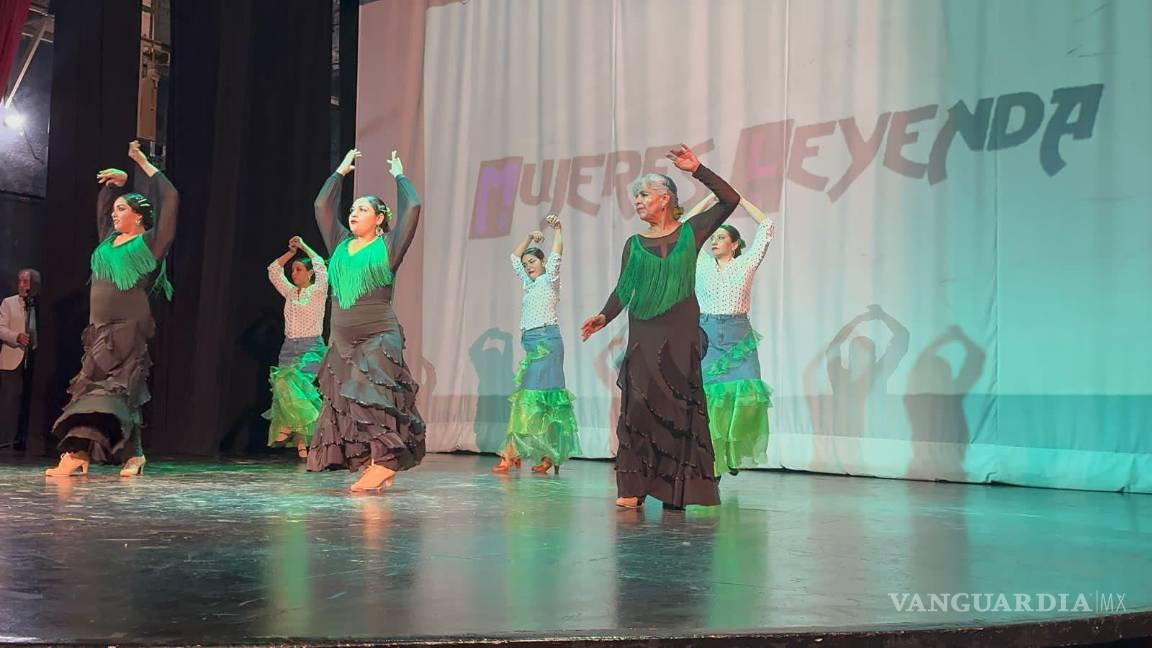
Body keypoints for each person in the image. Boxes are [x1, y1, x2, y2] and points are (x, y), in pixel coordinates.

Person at [581, 144, 739, 509]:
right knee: (639, 409)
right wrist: (604, 316)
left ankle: (675, 491)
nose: (637, 201)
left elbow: (730, 199)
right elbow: (623, 290)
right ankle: (634, 488)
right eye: (635, 196)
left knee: (679, 409)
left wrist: (697, 169)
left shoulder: (692, 233)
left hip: (680, 335)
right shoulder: (634, 245)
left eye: (643, 195)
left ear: (665, 199)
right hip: (644, 336)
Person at [46, 141, 178, 477]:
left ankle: (84, 452)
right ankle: (105, 453)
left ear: (139, 216)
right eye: (115, 209)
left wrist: (143, 164)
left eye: (122, 209)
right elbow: (102, 209)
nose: (115, 214)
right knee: (93, 389)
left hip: (129, 327)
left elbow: (171, 199)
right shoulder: (107, 241)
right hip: (99, 329)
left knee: (120, 391)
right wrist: (115, 185)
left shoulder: (149, 244)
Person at [306, 148, 425, 492]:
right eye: (353, 208)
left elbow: (413, 208)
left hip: (377, 335)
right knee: (350, 402)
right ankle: (372, 461)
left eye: (363, 209)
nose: (354, 213)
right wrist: (340, 172)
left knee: (375, 397)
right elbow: (321, 207)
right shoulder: (340, 244)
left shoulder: (388, 246)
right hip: (341, 339)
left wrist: (400, 177)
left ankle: (386, 462)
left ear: (379, 219)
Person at [683, 194, 776, 475]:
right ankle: (714, 457)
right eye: (712, 237)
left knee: (745, 391)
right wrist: (707, 200)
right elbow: (685, 228)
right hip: (707, 332)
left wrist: (741, 200)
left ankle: (733, 451)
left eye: (721, 237)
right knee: (711, 397)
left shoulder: (746, 263)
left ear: (734, 245)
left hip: (737, 333)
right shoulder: (701, 264)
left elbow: (768, 226)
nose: (713, 241)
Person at [493, 214, 580, 475]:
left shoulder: (549, 280)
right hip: (532, 343)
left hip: (547, 342)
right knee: (537, 399)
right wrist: (529, 237)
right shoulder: (528, 284)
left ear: (542, 263)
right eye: (526, 263)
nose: (528, 266)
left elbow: (556, 256)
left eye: (533, 261)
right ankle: (543, 456)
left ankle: (513, 454)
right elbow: (512, 258)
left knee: (535, 398)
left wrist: (559, 231)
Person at [265, 236, 328, 459]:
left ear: (309, 273)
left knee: (295, 388)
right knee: (290, 396)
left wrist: (304, 247)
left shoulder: (318, 292)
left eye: (299, 269)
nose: (294, 273)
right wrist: (291, 253)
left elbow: (320, 262)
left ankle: (290, 429)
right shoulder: (290, 293)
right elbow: (273, 270)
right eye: (293, 270)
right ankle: (302, 446)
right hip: (289, 347)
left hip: (311, 347)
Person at [0, 268, 40, 449]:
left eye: (26, 281)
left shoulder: (40, 306)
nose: (22, 285)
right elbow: (1, 328)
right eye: (20, 281)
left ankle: (26, 440)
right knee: (10, 400)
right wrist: (16, 337)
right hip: (12, 358)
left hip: (34, 361)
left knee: (30, 402)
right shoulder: (8, 303)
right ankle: (6, 439)